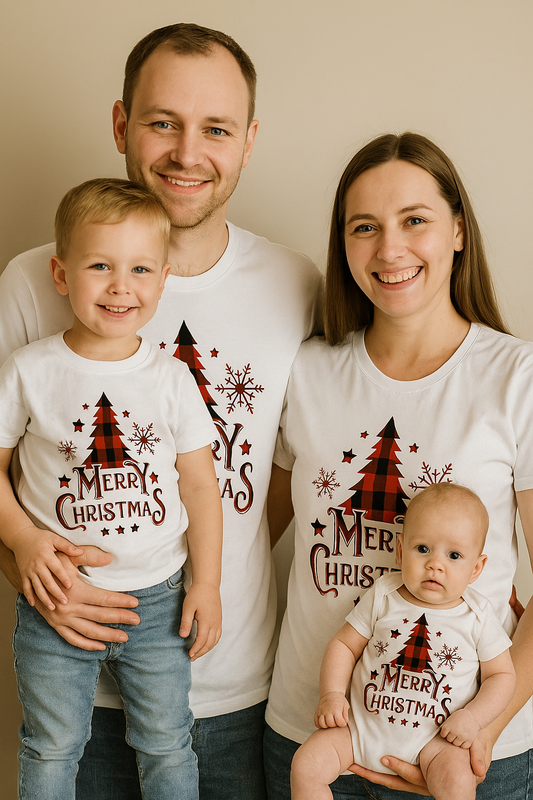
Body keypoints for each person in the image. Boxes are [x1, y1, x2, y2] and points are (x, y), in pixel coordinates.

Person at [0, 23, 320, 800]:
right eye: (161, 122)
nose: (186, 152)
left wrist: (207, 572)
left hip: (238, 690)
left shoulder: (296, 282)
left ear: (247, 141)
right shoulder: (28, 283)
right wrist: (27, 566)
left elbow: (283, 474)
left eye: (214, 128)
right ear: (120, 125)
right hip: (77, 683)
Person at [264, 131, 533, 800]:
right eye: (364, 227)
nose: (388, 249)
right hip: (311, 737)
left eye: (414, 220)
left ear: (458, 232)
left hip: (468, 755)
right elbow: (248, 535)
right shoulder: (307, 369)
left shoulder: (515, 377)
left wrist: (480, 732)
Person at [0, 178, 223, 800]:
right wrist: (22, 538)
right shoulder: (30, 371)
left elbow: (201, 488)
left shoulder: (171, 378)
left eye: (140, 269)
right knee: (51, 744)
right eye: (100, 266)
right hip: (55, 599)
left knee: (168, 744)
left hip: (159, 603)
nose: (121, 285)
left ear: (162, 277)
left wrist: (206, 582)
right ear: (61, 273)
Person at [291, 483, 516, 800]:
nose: (435, 564)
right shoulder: (385, 593)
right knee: (305, 766)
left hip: (435, 742)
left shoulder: (477, 615)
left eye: (454, 555)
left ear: (476, 568)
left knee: (458, 783)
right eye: (423, 549)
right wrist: (331, 694)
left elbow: (502, 676)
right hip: (358, 731)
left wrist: (474, 718)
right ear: (400, 550)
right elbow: (344, 646)